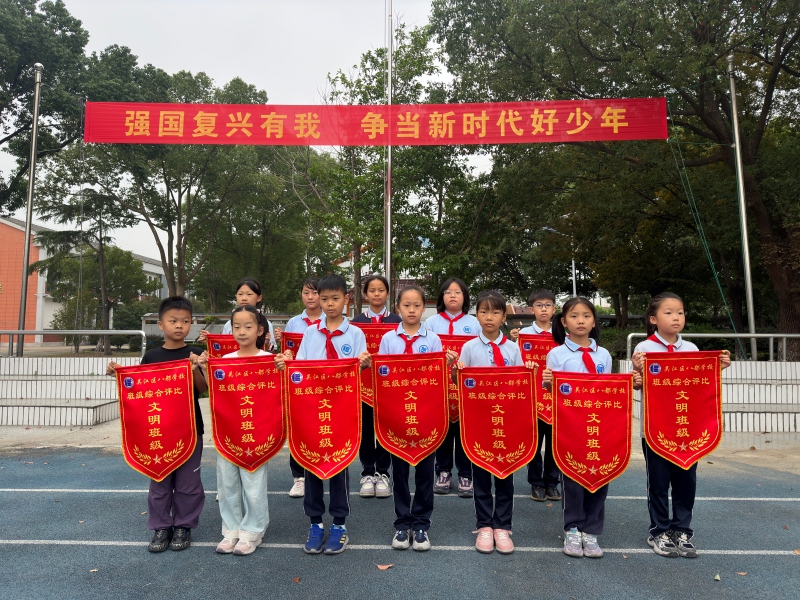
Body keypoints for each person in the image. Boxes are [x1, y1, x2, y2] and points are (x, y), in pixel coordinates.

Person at [275, 274, 370, 555]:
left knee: (340, 466)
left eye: (335, 298)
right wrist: (288, 364)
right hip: (313, 409)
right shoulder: (310, 333)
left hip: (341, 410)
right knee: (311, 464)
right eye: (324, 298)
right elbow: (301, 369)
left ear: (346, 299)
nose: (329, 304)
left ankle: (339, 524)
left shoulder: (355, 334)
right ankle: (315, 523)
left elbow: (358, 368)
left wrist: (363, 364)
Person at [631, 292, 731, 558]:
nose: (676, 317)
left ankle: (682, 530)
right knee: (659, 483)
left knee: (686, 482)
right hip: (656, 430)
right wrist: (636, 374)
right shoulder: (644, 349)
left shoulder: (692, 349)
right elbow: (637, 385)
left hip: (688, 429)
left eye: (680, 312)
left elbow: (698, 384)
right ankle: (659, 531)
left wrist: (716, 369)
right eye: (668, 313)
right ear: (653, 319)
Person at [106, 296, 208, 553]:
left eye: (185, 321)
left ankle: (183, 526)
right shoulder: (151, 356)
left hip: (190, 429)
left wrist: (196, 368)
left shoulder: (195, 353)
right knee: (160, 482)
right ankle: (161, 526)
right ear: (161, 324)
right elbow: (139, 390)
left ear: (191, 324)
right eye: (173, 321)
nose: (179, 326)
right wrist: (119, 374)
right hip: (158, 432)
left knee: (188, 484)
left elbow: (202, 389)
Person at [371, 285, 458, 551]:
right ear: (398, 307)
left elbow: (436, 379)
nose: (411, 310)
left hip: (425, 416)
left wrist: (445, 363)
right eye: (406, 305)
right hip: (398, 415)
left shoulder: (433, 339)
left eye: (417, 305)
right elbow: (383, 375)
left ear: (424, 308)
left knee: (424, 474)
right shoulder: (389, 339)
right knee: (399, 473)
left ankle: (421, 524)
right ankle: (401, 524)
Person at [455, 290, 535, 555]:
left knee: (505, 473)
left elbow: (521, 384)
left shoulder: (513, 348)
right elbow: (460, 382)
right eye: (484, 311)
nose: (489, 317)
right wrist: (456, 372)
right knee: (480, 473)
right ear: (476, 315)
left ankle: (502, 525)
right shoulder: (469, 347)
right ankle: (484, 525)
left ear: (503, 318)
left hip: (506, 421)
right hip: (479, 421)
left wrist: (529, 371)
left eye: (495, 312)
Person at [543, 297, 619, 559]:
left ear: (594, 322)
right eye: (574, 316)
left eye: (586, 316)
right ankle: (573, 528)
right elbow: (552, 391)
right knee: (573, 478)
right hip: (570, 427)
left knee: (599, 476)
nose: (580, 321)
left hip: (598, 426)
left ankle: (592, 530)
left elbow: (607, 389)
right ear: (564, 322)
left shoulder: (603, 355)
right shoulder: (556, 354)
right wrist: (548, 383)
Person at [211, 305, 272, 556]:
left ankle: (253, 530)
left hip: (257, 432)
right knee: (226, 483)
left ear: (260, 330)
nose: (242, 331)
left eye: (248, 326)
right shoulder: (225, 361)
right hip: (229, 431)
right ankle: (231, 529)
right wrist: (204, 366)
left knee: (253, 483)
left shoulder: (269, 360)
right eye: (237, 327)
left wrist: (285, 365)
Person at [424, 277, 481, 498]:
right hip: (440, 389)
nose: (453, 296)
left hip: (466, 388)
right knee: (443, 432)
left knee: (466, 432)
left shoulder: (474, 323)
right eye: (448, 292)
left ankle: (466, 474)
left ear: (465, 297)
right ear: (442, 297)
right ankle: (443, 472)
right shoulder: (430, 323)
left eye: (458, 292)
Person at [352, 274, 401, 499]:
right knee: (366, 431)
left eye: (381, 290)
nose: (377, 294)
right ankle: (367, 472)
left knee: (384, 430)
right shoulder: (356, 323)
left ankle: (383, 472)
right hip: (362, 386)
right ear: (365, 295)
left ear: (388, 294)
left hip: (388, 387)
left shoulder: (397, 322)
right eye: (372, 290)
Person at [510, 289, 562, 503]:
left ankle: (552, 482)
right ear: (531, 309)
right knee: (534, 443)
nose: (544, 309)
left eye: (548, 305)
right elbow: (515, 362)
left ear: (554, 309)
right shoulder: (522, 335)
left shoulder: (562, 335)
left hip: (555, 396)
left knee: (554, 444)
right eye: (539, 305)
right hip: (531, 397)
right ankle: (536, 483)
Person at [274, 277, 323, 498]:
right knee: (298, 427)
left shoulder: (330, 320)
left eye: (315, 293)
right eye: (306, 293)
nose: (310, 297)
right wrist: (282, 345)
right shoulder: (294, 323)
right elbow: (287, 353)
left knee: (322, 425)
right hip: (299, 383)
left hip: (323, 383)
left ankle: (322, 466)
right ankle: (299, 476)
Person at [198, 278, 276, 351]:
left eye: (249, 294)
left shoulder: (265, 323)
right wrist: (210, 340)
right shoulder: (229, 324)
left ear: (259, 298)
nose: (244, 298)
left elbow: (272, 350)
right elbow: (223, 347)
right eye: (240, 294)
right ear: (236, 296)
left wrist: (266, 344)